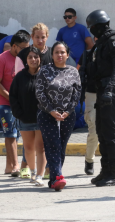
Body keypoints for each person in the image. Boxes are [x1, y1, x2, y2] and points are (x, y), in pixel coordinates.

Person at [86, 9, 115, 187]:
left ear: (97, 26)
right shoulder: (101, 43)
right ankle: (106, 170)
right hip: (102, 89)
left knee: (110, 132)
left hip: (112, 89)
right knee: (101, 131)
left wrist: (110, 87)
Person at [77, 37, 115, 176]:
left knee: (112, 130)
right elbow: (77, 75)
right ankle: (89, 160)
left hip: (111, 93)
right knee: (94, 130)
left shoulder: (112, 52)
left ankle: (111, 165)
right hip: (92, 93)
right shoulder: (87, 55)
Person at [35, 41, 81, 191]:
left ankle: (54, 175)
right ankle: (57, 177)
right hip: (47, 114)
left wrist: (68, 111)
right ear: (52, 55)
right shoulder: (44, 70)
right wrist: (51, 110)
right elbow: (40, 92)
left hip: (68, 115)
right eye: (56, 52)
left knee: (61, 146)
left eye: (62, 52)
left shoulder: (73, 71)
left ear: (67, 55)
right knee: (53, 144)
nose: (59, 55)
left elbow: (77, 94)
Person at [0, 32, 30, 176]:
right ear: (14, 46)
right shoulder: (1, 59)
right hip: (3, 102)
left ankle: (8, 166)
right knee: (11, 133)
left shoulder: (25, 59)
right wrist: (12, 99)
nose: (26, 50)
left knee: (19, 133)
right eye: (23, 48)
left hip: (19, 102)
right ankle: (15, 166)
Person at [10, 46, 47, 186]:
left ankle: (40, 175)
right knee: (29, 148)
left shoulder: (45, 75)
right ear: (26, 60)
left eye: (36, 57)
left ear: (40, 59)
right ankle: (32, 172)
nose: (33, 59)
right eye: (30, 57)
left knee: (41, 148)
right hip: (25, 119)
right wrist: (18, 113)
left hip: (42, 118)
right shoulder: (20, 76)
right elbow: (13, 96)